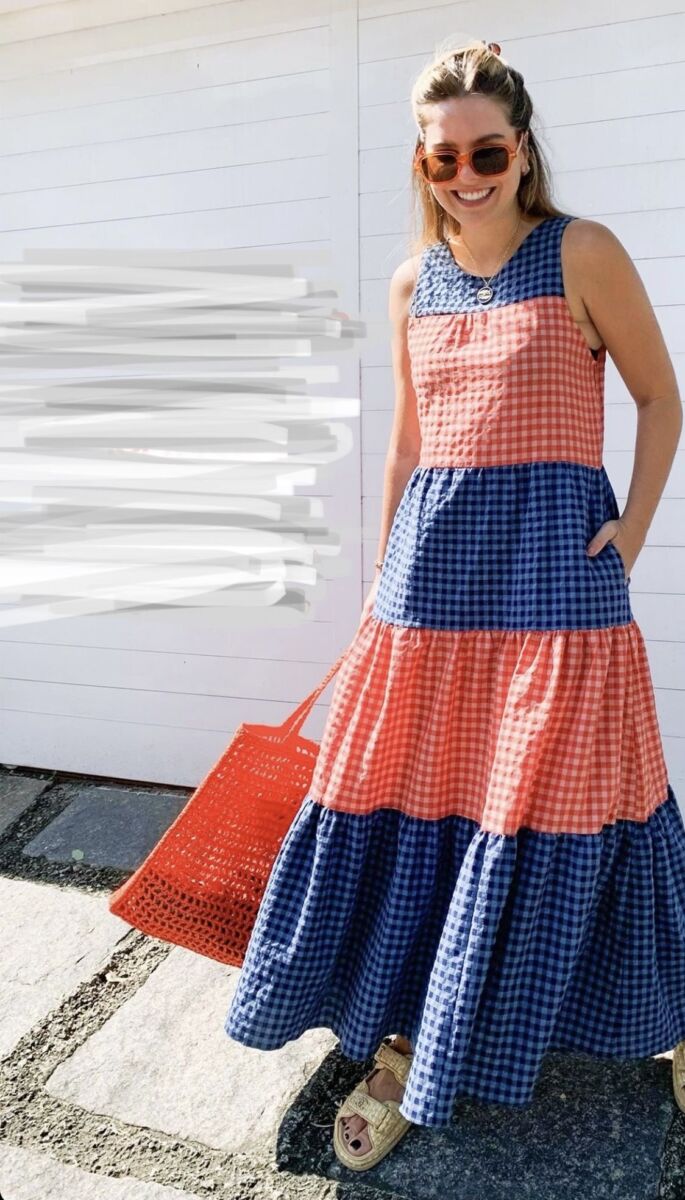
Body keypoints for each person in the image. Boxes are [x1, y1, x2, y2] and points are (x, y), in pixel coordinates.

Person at [224, 38, 685, 1172]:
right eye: (443, 158)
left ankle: (665, 1010)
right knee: (422, 799)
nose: (466, 175)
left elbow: (659, 397)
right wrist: (385, 585)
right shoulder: (411, 282)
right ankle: (406, 1031)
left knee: (590, 799)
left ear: (521, 150)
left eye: (487, 152)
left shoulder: (580, 252)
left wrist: (631, 527)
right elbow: (409, 447)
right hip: (433, 587)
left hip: (553, 582)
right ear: (420, 162)